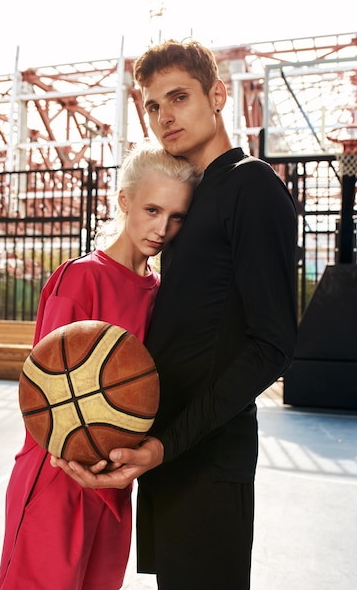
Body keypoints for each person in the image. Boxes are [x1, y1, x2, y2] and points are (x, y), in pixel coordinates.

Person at [52, 39, 298, 590]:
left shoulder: (252, 186)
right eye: (153, 106)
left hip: (207, 456)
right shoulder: (192, 199)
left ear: (218, 95)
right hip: (167, 454)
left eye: (179, 97)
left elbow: (273, 343)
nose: (165, 117)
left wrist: (167, 443)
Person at [0, 140, 200, 590]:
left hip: (116, 483)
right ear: (125, 201)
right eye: (151, 210)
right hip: (59, 474)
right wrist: (76, 461)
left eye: (176, 216)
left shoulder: (162, 293)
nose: (162, 228)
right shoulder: (81, 277)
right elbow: (43, 394)